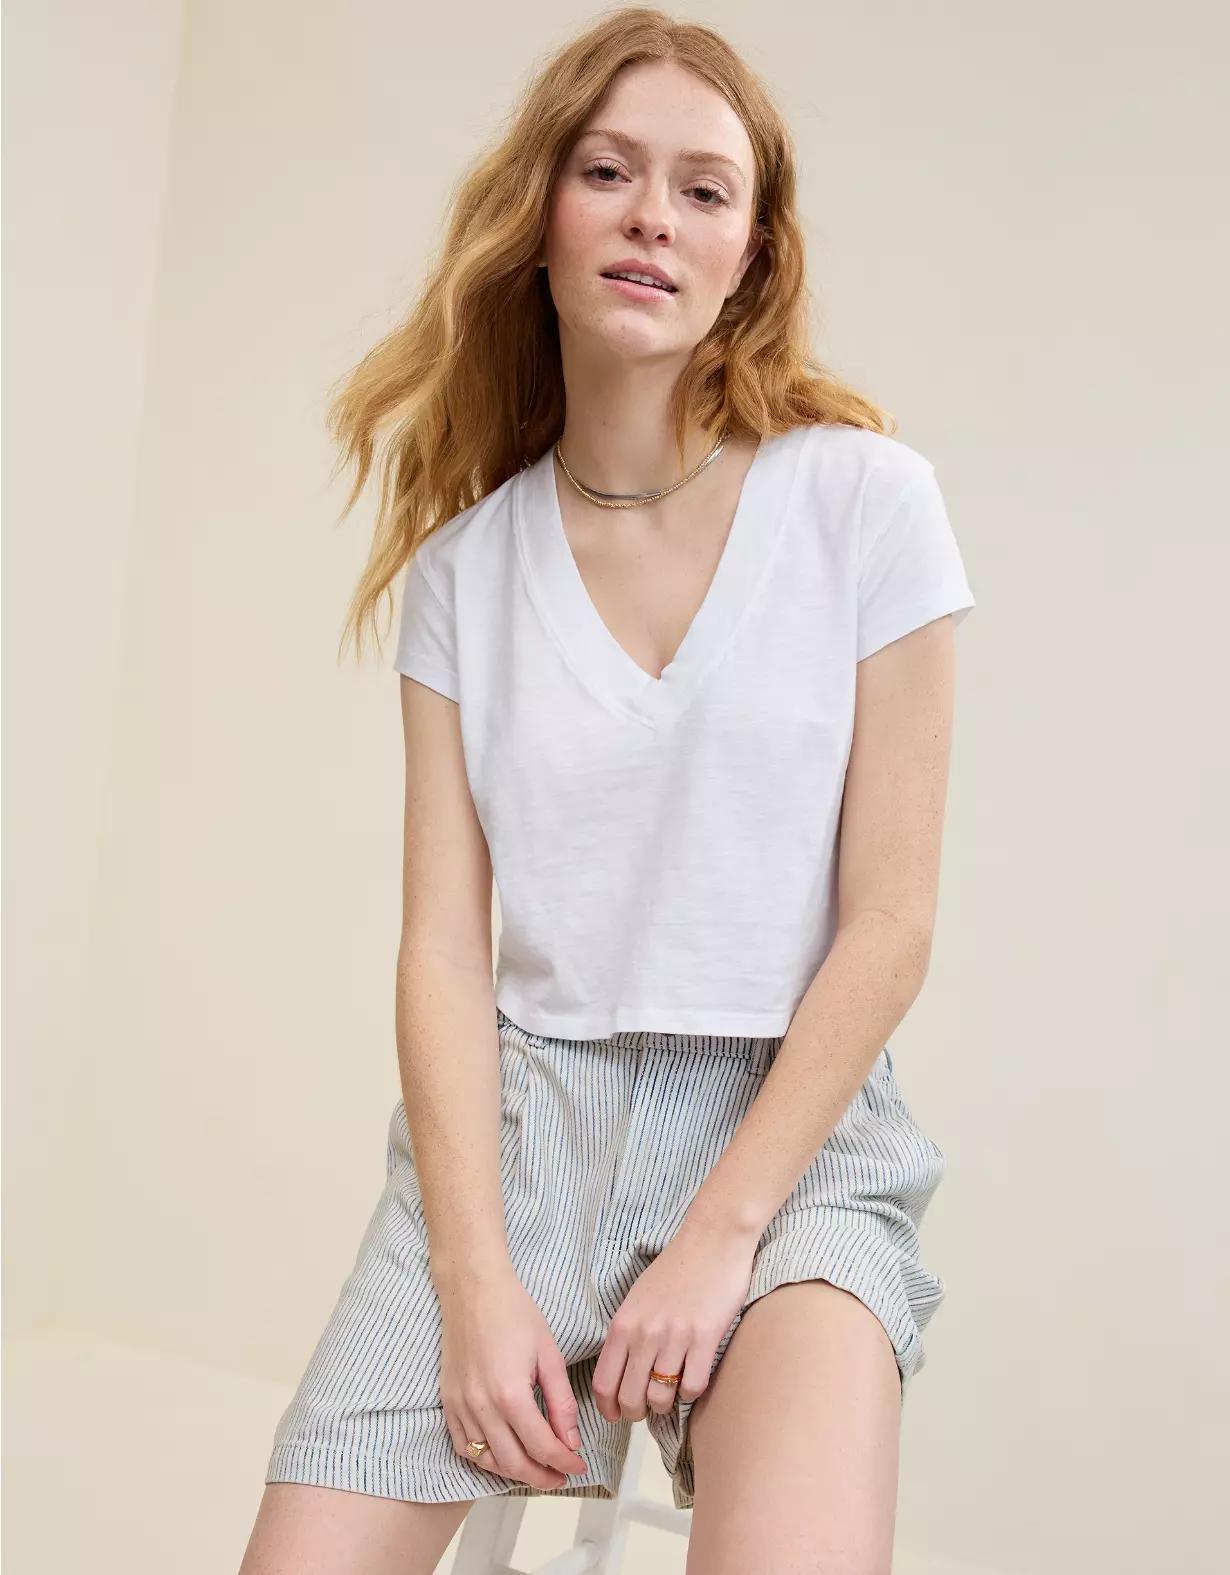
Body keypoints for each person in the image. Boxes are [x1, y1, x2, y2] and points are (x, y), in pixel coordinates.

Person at [240, 8, 975, 1572]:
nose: (653, 215)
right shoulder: (463, 574)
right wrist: (471, 1276)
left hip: (786, 1139)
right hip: (517, 1137)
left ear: (748, 256)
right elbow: (443, 950)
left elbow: (892, 922)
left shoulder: (864, 503)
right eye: (608, 171)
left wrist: (720, 1238)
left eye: (703, 190)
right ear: (543, 213)